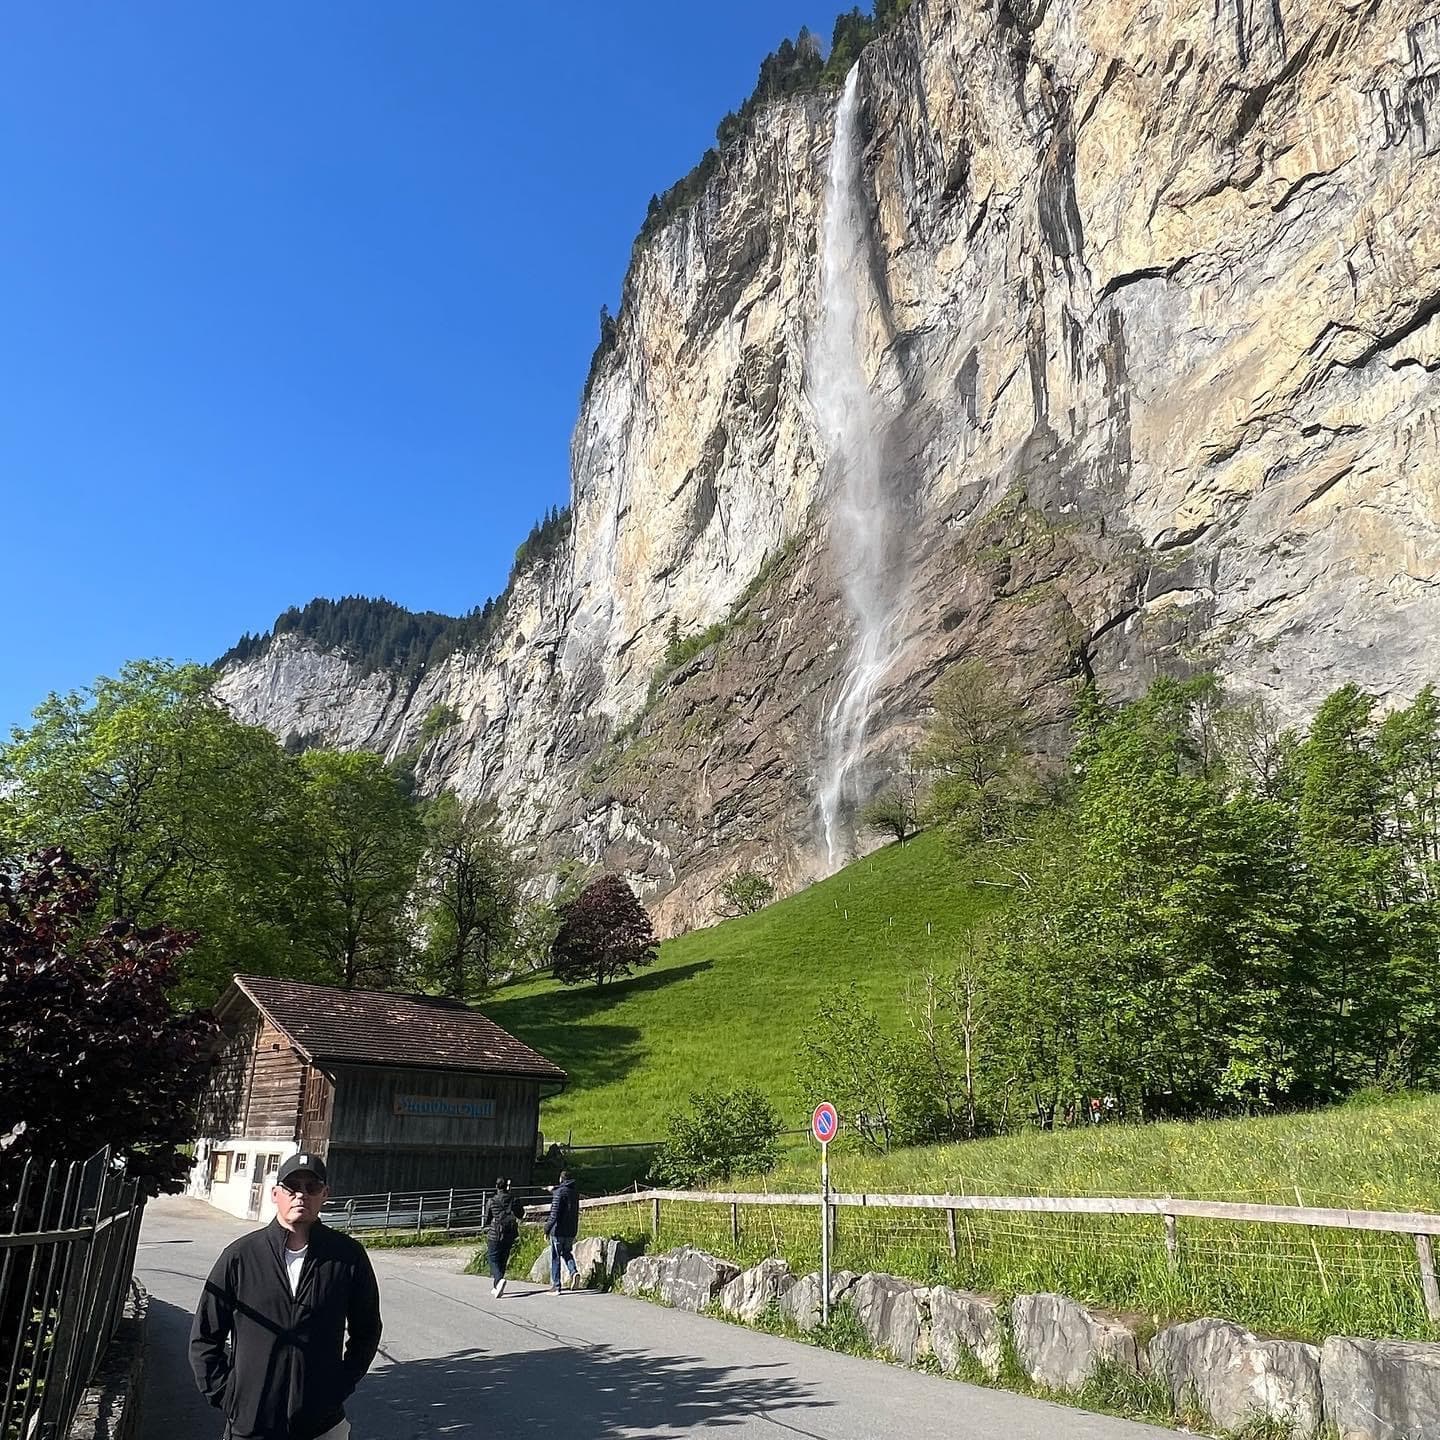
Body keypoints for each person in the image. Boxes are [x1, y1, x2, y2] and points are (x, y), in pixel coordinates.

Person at [190, 1153, 382, 1440]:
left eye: (312, 1187)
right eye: (292, 1187)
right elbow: (205, 1336)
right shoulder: (241, 1256)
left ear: (325, 1194)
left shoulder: (347, 1257)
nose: (301, 1195)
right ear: (275, 1193)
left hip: (321, 1426)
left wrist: (338, 1387)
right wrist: (228, 1396)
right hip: (250, 1426)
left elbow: (366, 1331)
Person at [544, 1169, 580, 1293]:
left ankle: (556, 1285)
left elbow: (554, 1214)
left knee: (555, 1257)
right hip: (571, 1230)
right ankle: (573, 1271)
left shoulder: (559, 1192)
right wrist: (554, 1190)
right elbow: (562, 1193)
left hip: (558, 1230)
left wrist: (547, 1229)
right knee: (566, 1253)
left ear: (561, 1179)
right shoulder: (574, 1192)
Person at [482, 1177, 519, 1298]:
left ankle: (499, 1280)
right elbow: (521, 1213)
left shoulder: (492, 1200)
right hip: (510, 1232)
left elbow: (487, 1218)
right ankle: (496, 1286)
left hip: (495, 1233)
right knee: (503, 1258)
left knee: (492, 1258)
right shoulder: (513, 1199)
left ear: (497, 1186)